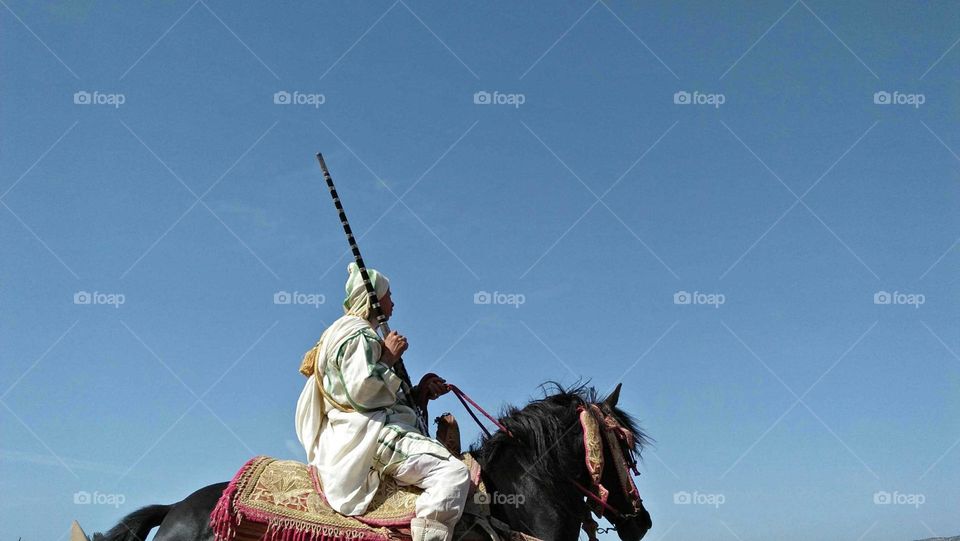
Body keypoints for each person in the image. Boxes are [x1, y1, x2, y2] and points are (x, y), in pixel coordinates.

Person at [295, 263, 470, 541]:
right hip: (369, 431)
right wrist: (388, 357)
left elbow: (382, 396)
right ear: (374, 299)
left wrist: (419, 393)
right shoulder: (357, 333)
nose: (394, 302)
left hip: (373, 424)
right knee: (453, 474)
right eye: (389, 295)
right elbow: (362, 392)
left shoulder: (355, 334)